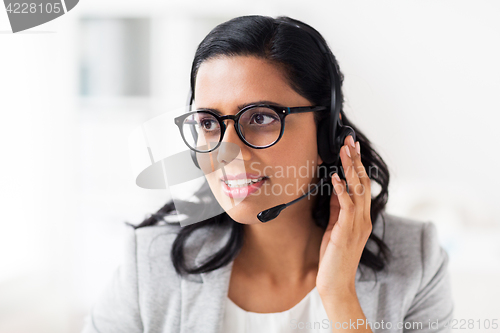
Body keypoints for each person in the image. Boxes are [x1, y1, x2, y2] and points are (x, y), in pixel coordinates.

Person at [82, 15, 454, 333]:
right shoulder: (149, 265)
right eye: (210, 123)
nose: (227, 152)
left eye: (260, 118)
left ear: (328, 131)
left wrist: (339, 295)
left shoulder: (417, 261)